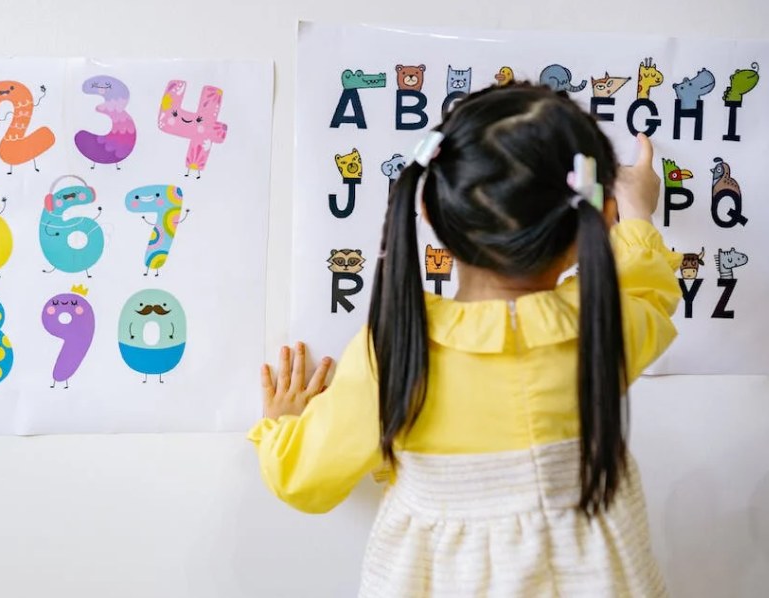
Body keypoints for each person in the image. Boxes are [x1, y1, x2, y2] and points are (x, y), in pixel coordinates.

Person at [249, 83, 682, 597]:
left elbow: (306, 478)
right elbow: (648, 289)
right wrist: (637, 215)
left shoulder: (394, 349)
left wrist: (281, 427)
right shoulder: (604, 323)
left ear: (430, 212)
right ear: (595, 218)